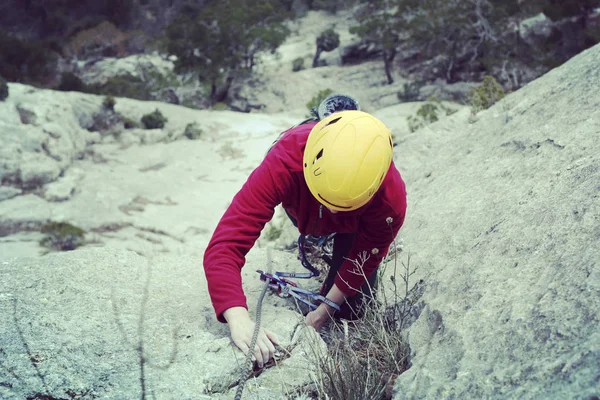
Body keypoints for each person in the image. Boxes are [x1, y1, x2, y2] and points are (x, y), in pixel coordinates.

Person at [203, 97, 407, 368]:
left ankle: (336, 231)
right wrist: (238, 318)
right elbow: (226, 244)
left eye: (342, 206)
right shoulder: (284, 161)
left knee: (352, 307)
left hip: (357, 223)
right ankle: (317, 229)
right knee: (316, 226)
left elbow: (366, 255)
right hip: (302, 195)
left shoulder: (390, 200)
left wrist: (325, 310)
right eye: (327, 202)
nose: (334, 213)